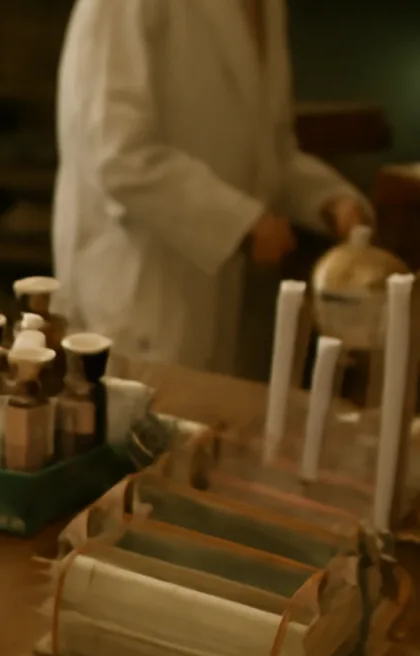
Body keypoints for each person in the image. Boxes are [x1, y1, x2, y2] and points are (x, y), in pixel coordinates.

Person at [52, 0, 371, 377]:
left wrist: (329, 200)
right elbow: (117, 155)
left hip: (222, 301)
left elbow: (269, 153)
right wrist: (242, 223)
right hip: (144, 291)